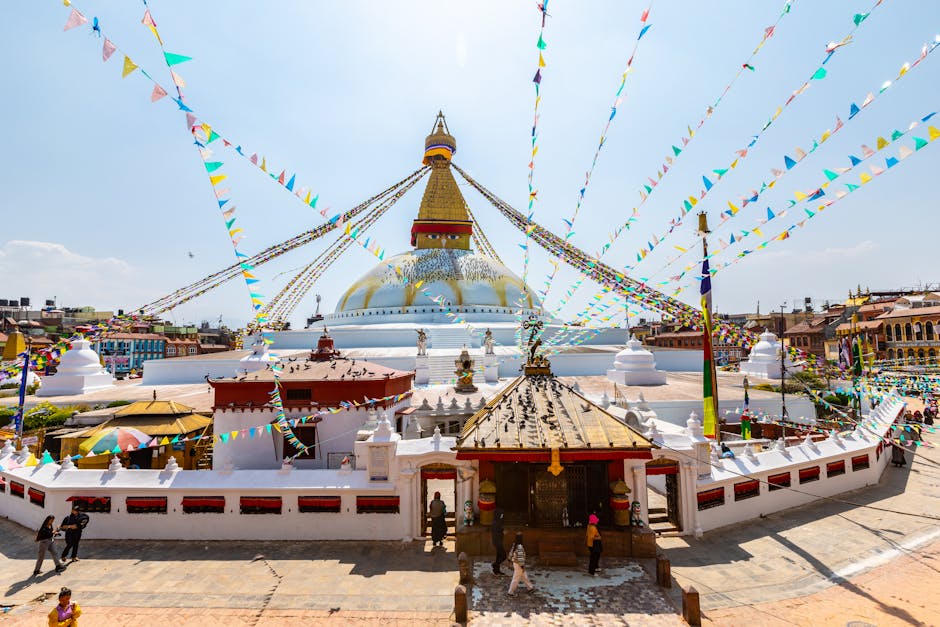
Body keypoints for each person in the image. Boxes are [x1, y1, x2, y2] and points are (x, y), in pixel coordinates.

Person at [491, 507, 506, 575]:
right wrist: (502, 532)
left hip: (498, 541)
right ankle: (495, 564)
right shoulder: (496, 523)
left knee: (498, 556)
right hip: (498, 542)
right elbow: (497, 532)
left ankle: (496, 570)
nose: (502, 515)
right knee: (503, 556)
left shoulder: (498, 521)